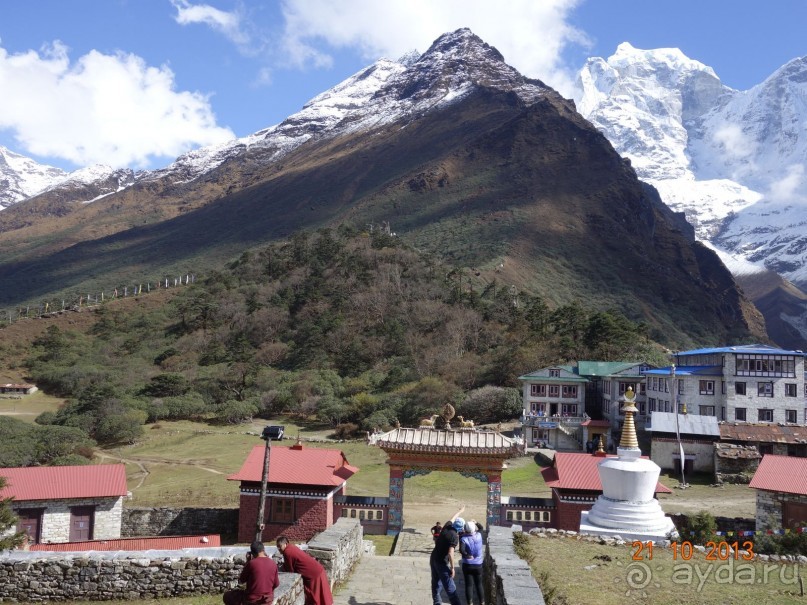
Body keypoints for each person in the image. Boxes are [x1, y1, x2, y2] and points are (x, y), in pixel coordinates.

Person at [276, 536, 333, 605]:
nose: (279, 549)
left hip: (314, 575)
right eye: (277, 547)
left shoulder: (287, 552)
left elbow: (290, 571)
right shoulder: (292, 547)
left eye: (280, 546)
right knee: (322, 596)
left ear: (285, 544)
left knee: (315, 597)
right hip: (318, 570)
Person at [223, 541, 280, 605]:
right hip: (267, 600)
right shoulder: (273, 563)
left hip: (252, 600)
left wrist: (248, 561)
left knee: (227, 596)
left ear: (252, 553)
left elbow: (242, 580)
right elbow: (276, 584)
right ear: (263, 550)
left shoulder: (251, 563)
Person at [430, 505, 465, 605]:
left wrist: (460, 511)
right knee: (450, 587)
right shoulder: (454, 536)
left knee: (435, 583)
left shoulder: (447, 526)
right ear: (460, 528)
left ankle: (437, 603)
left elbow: (452, 518)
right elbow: (450, 553)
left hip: (434, 557)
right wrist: (453, 568)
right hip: (441, 562)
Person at [460, 520, 484, 605]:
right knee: (479, 584)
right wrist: (476, 522)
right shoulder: (479, 535)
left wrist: (467, 555)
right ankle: (482, 602)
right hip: (478, 565)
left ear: (465, 529)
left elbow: (461, 550)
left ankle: (470, 603)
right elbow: (481, 528)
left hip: (467, 565)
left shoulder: (463, 538)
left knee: (469, 585)